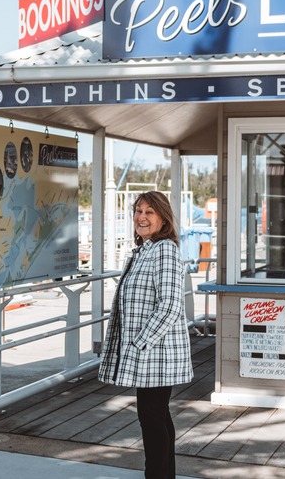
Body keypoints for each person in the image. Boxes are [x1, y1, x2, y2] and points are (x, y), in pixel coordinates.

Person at [98, 191, 193, 479]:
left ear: (163, 218)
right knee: (158, 417)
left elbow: (171, 304)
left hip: (156, 353)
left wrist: (139, 344)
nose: (141, 217)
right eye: (138, 211)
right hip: (151, 353)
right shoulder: (145, 250)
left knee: (151, 419)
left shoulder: (164, 249)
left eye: (149, 212)